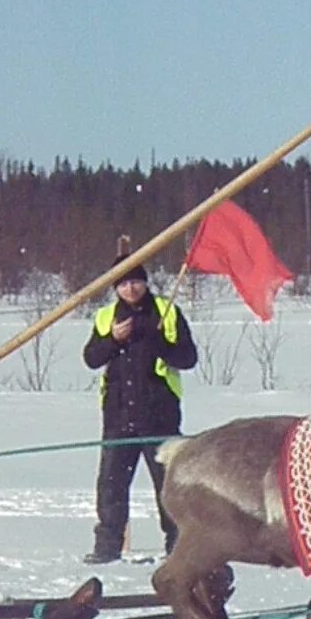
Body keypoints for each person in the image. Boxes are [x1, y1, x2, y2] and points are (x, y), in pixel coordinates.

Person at [82, 236, 198, 562]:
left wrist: (160, 343)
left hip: (159, 413)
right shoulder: (106, 317)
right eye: (123, 284)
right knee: (111, 486)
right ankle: (107, 547)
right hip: (118, 415)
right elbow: (91, 358)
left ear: (145, 282)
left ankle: (177, 548)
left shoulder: (166, 312)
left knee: (168, 487)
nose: (131, 289)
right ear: (115, 287)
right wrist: (112, 341)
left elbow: (188, 358)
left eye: (136, 282)